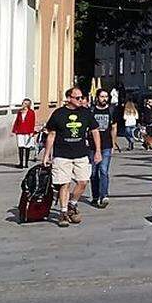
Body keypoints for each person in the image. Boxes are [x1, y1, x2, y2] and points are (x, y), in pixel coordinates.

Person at [42, 86, 101, 227]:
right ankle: (63, 212)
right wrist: (46, 155)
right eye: (77, 98)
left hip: (81, 153)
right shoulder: (58, 114)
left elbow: (95, 131)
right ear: (69, 98)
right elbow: (51, 134)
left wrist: (98, 150)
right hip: (62, 154)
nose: (81, 100)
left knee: (83, 181)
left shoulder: (86, 113)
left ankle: (72, 204)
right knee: (64, 183)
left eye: (82, 97)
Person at [88, 89, 118, 207]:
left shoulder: (111, 110)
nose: (104, 99)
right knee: (93, 173)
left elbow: (114, 127)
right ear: (97, 97)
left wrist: (114, 143)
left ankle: (104, 195)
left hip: (106, 145)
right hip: (92, 146)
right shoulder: (91, 111)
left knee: (104, 170)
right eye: (102, 96)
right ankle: (95, 196)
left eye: (106, 97)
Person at [12, 99, 36, 168]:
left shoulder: (31, 112)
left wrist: (32, 132)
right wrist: (14, 130)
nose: (23, 104)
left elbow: (32, 122)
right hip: (20, 131)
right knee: (20, 147)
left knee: (27, 147)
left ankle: (26, 163)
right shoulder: (20, 112)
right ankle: (21, 163)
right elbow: (17, 121)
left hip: (28, 132)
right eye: (23, 102)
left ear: (28, 105)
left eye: (25, 103)